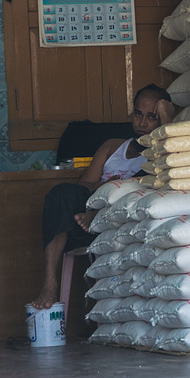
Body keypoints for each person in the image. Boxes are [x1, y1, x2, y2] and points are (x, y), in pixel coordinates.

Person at [32, 84, 176, 310]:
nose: (143, 123)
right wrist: (105, 185)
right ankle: (50, 282)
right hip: (83, 223)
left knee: (138, 182)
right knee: (61, 193)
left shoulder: (159, 154)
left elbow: (173, 159)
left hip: (124, 226)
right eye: (138, 114)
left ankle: (99, 214)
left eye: (152, 117)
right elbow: (84, 185)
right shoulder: (112, 146)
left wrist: (168, 115)